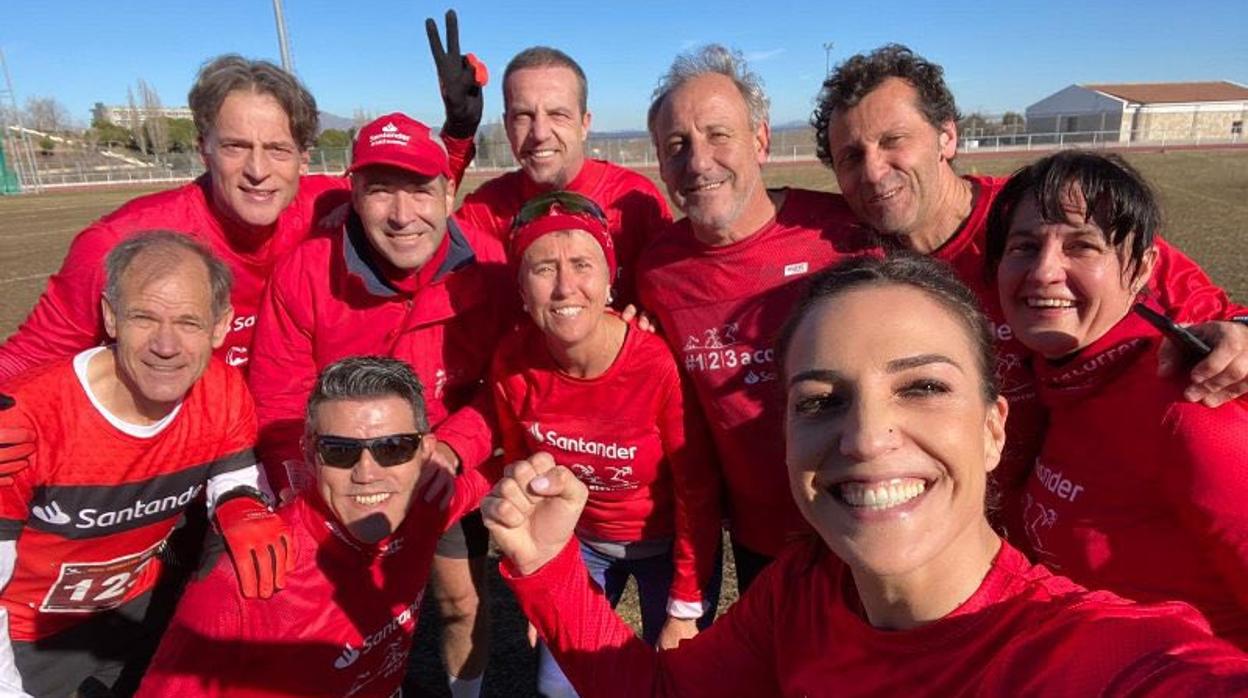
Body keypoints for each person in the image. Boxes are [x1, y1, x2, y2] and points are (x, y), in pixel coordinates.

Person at [483, 254, 1248, 697]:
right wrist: (549, 568)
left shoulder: (1102, 659)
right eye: (820, 399)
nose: (866, 436)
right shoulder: (806, 591)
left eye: (922, 386)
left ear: (993, 429)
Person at [811, 44, 1248, 535]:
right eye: (851, 156)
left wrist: (1239, 332)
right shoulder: (858, 264)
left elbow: (1205, 308)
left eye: (894, 140)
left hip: (1084, 517)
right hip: (955, 528)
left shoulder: (1042, 216)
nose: (873, 170)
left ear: (946, 136)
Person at [0, 35, 482, 380]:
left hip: (270, 436)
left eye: (277, 149)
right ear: (202, 147)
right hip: (171, 459)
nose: (258, 170)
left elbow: (411, 204)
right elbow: (30, 356)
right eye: (235, 147)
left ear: (302, 158)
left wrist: (457, 134)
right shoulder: (123, 242)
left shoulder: (325, 202)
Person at [247, 112, 510, 698]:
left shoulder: (490, 270)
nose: (401, 213)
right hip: (340, 477)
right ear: (353, 192)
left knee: (460, 601)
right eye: (379, 190)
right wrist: (307, 491)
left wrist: (455, 451)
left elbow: (509, 385)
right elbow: (280, 402)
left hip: (439, 469)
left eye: (419, 189)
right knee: (343, 622)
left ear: (447, 191)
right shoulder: (307, 272)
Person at [0, 232, 290, 696]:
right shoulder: (22, 427)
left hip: (139, 612)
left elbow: (231, 470)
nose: (166, 345)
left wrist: (239, 501)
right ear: (111, 317)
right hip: (31, 635)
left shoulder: (221, 389)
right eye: (144, 317)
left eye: (189, 323)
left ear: (221, 327)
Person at [637, 45, 878, 591]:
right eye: (677, 145)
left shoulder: (843, 235)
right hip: (760, 540)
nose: (699, 162)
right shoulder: (657, 272)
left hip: (865, 522)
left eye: (718, 135)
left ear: (761, 140)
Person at [986, 150, 1248, 647]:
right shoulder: (1058, 382)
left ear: (1143, 267)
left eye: (1082, 246)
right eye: (1024, 246)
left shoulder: (1191, 405)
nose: (1044, 271)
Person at [137, 356, 499, 697]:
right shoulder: (247, 579)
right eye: (340, 451)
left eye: (393, 448)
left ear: (426, 453)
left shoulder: (425, 507)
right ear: (309, 454)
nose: (367, 474)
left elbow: (506, 469)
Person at [491, 191, 720, 697]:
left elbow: (696, 493)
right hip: (584, 543)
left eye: (582, 264)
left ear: (611, 278)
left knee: (677, 682)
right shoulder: (512, 361)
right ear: (522, 288)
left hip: (665, 546)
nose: (565, 286)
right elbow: (522, 475)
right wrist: (542, 586)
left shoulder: (654, 364)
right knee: (559, 687)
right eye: (544, 268)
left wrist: (684, 607)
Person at [453, 45, 671, 308]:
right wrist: (457, 137)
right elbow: (419, 242)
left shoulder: (635, 201)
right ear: (507, 125)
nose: (540, 132)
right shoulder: (485, 210)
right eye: (523, 116)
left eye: (558, 114)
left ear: (584, 124)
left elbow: (674, 293)